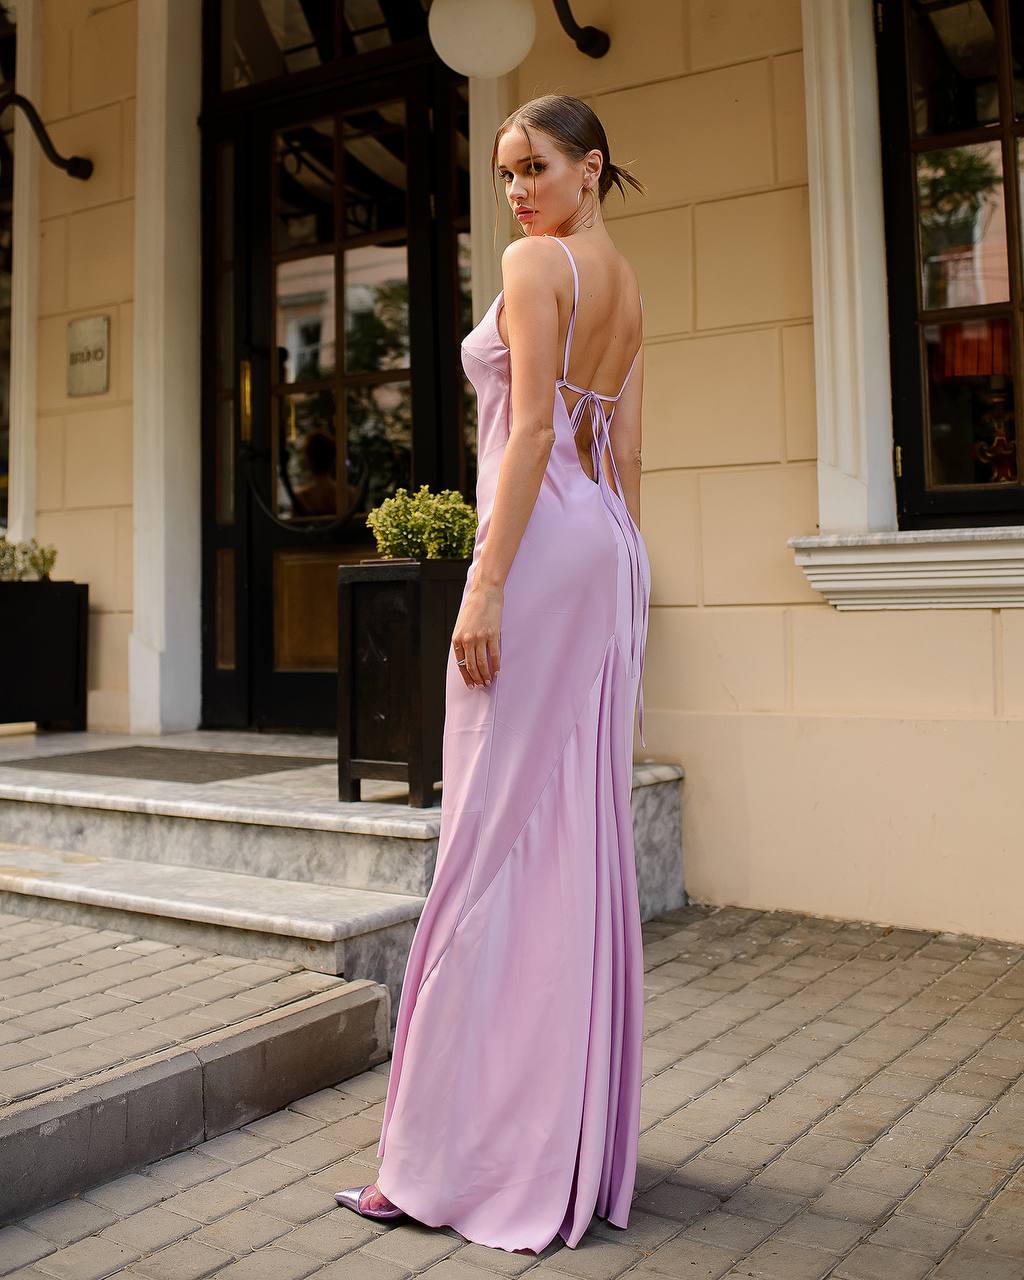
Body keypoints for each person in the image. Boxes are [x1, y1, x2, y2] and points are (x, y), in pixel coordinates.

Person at [335, 92, 650, 1255]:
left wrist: (482, 582)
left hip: (542, 550)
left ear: (590, 167)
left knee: (484, 841)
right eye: (507, 169)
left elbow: (526, 436)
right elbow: (622, 450)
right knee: (569, 831)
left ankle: (448, 1160)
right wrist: (629, 588)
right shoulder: (620, 277)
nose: (515, 188)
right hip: (608, 551)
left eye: (537, 165)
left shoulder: (537, 262)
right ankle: (549, 1139)